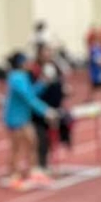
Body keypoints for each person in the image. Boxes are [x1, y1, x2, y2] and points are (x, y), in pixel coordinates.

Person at [3, 52, 57, 191]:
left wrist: (43, 83)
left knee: (33, 143)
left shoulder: (23, 76)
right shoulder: (16, 78)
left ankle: (33, 172)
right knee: (16, 148)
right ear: (21, 63)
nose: (30, 63)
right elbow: (28, 97)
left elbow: (31, 93)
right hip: (14, 118)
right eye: (27, 61)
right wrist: (45, 110)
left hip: (23, 116)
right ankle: (13, 176)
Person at [30, 43, 69, 185]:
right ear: (39, 53)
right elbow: (31, 92)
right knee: (41, 139)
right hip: (40, 110)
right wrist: (43, 82)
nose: (49, 53)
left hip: (55, 107)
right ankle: (41, 166)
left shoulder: (55, 66)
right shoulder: (34, 69)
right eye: (46, 51)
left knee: (55, 136)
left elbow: (60, 81)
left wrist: (64, 90)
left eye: (50, 51)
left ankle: (46, 165)